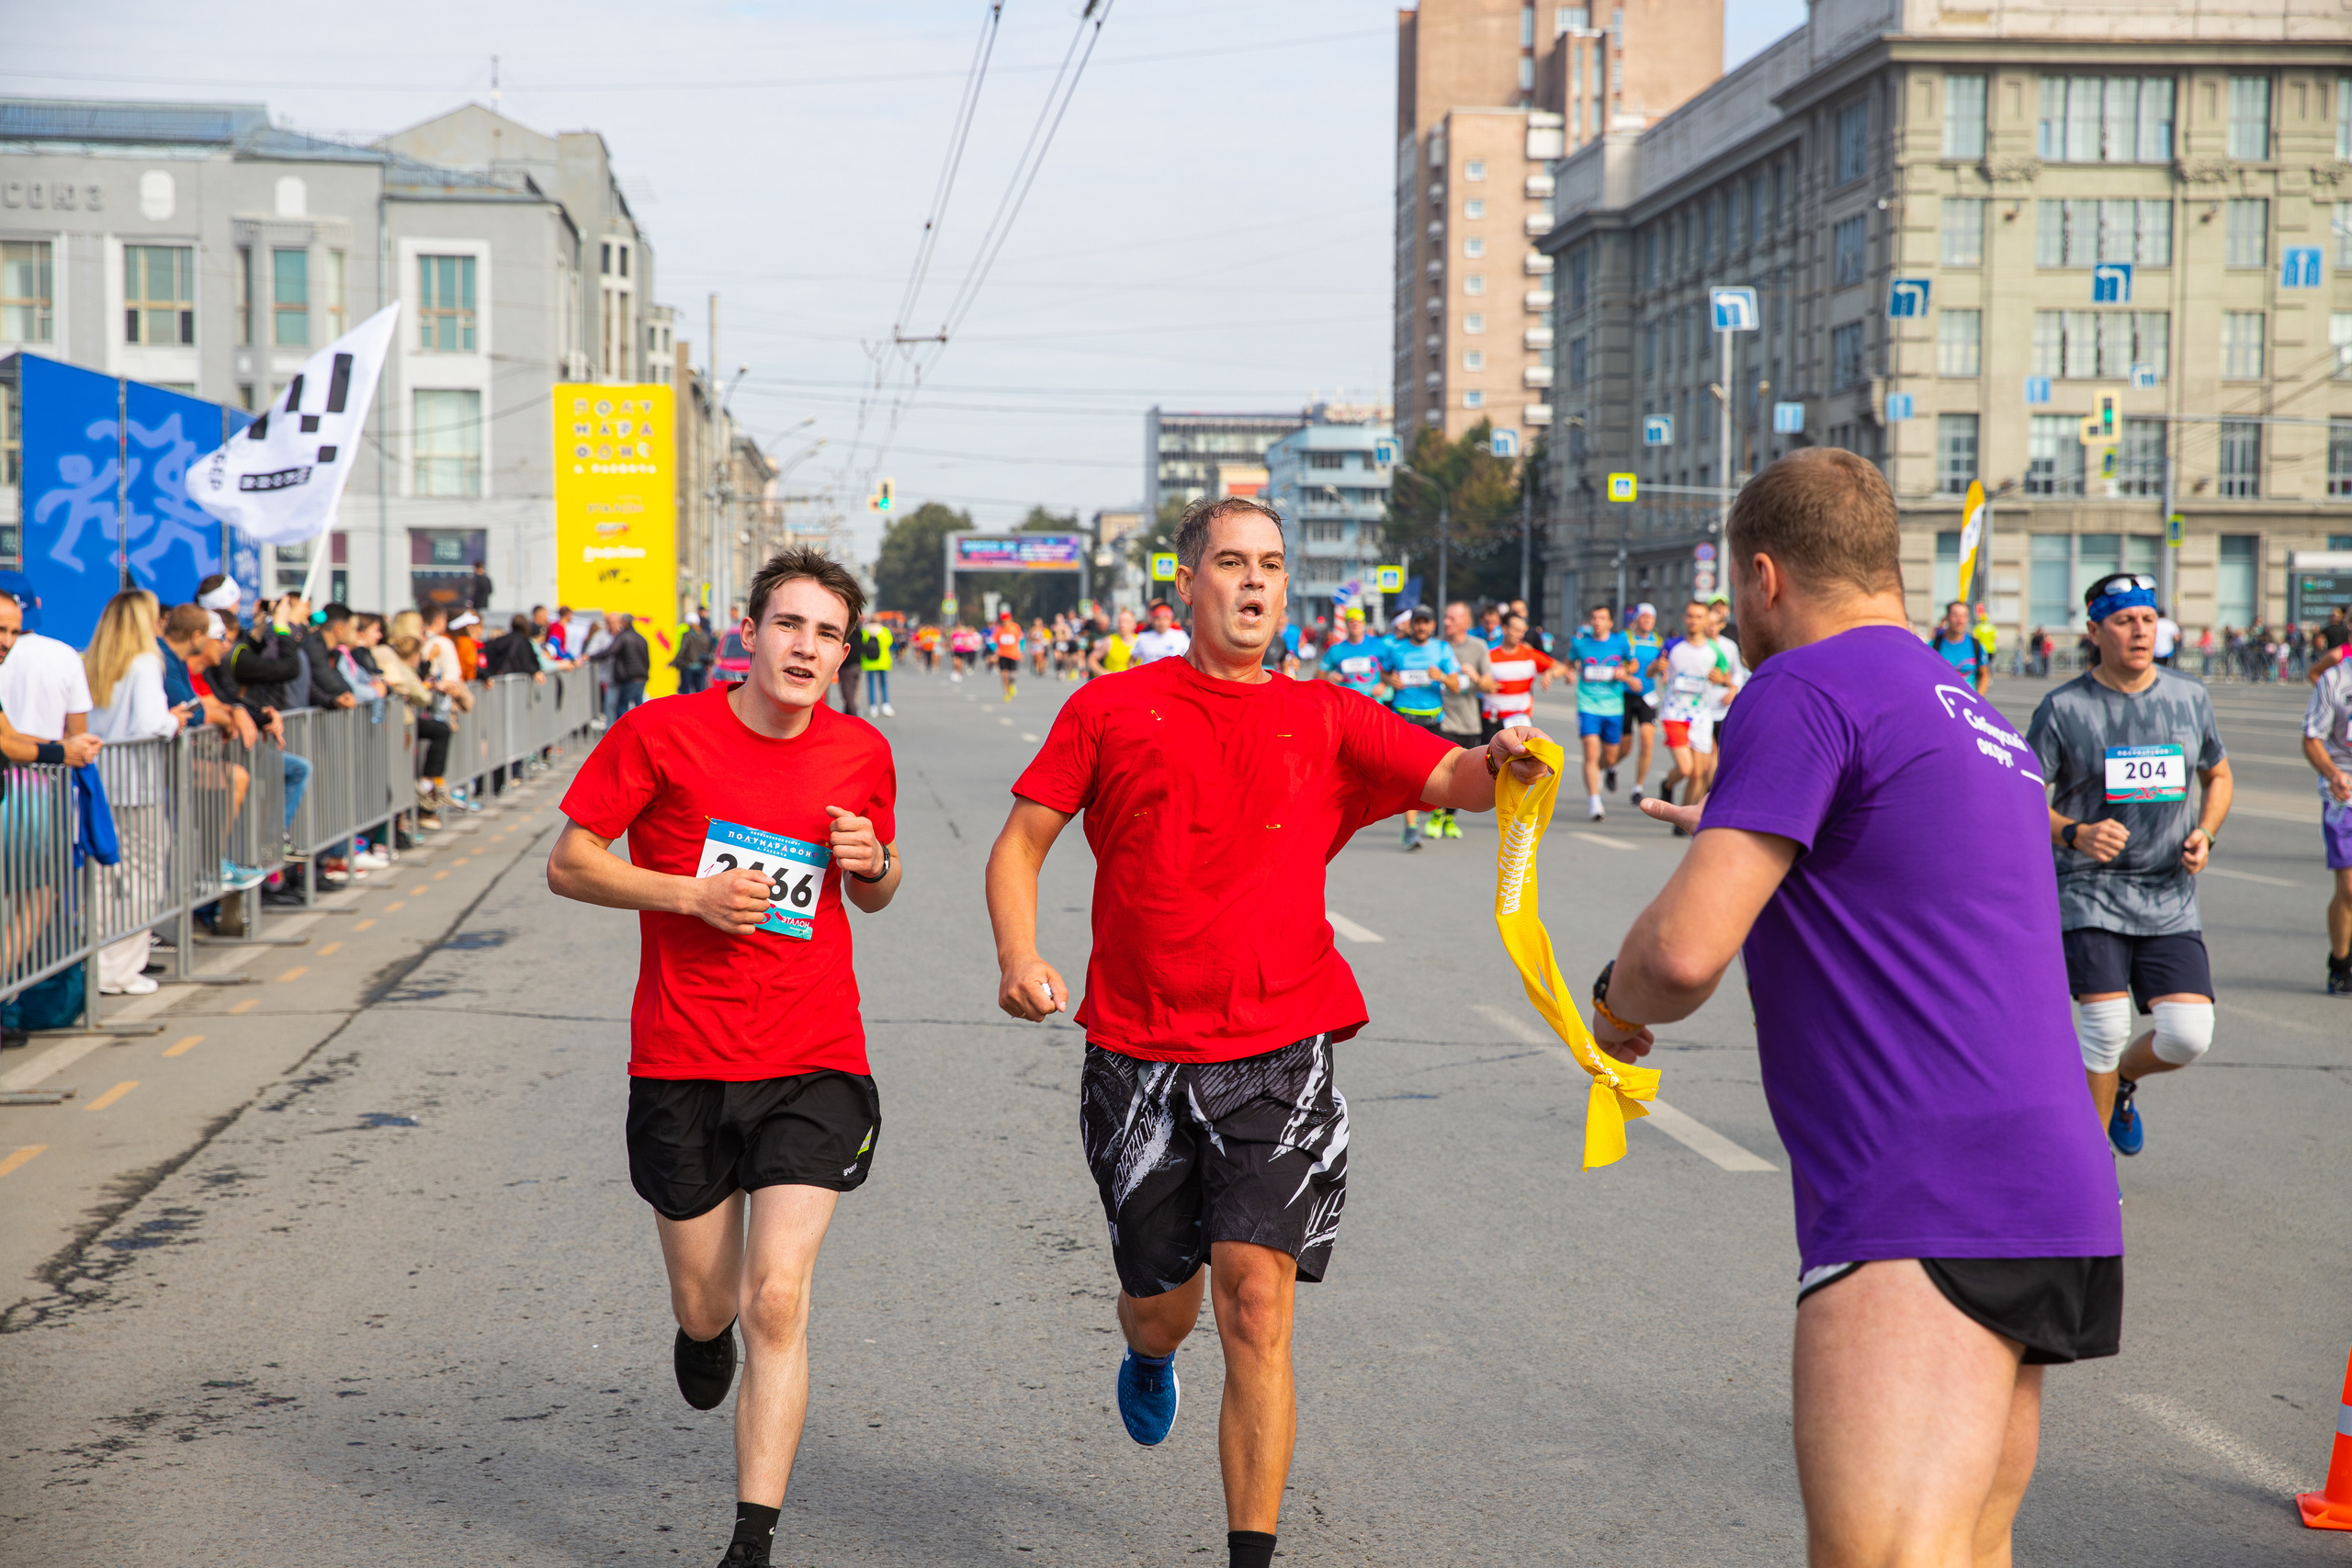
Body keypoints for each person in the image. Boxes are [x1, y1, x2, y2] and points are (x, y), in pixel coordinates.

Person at [982, 496, 1556, 1568]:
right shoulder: (1111, 709)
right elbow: (1019, 846)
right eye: (1233, 563)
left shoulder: (1326, 717)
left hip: (1280, 1054)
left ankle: (1251, 1553)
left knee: (1255, 1303)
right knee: (1164, 1307)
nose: (1255, 582)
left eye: (1273, 566)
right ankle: (1148, 1349)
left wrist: (1504, 755)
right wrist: (1020, 957)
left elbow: (1449, 777)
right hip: (1139, 1059)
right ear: (1187, 583)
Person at [1595, 448, 2121, 1568]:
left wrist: (1609, 999)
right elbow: (1902, 873)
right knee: (1968, 1549)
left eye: (1740, 591)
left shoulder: (1800, 687)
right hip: (2053, 1194)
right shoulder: (1974, 718)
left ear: (1765, 578)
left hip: (1920, 1197)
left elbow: (1681, 959)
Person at [547, 547, 900, 1568]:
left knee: (776, 1298)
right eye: (791, 625)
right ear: (750, 631)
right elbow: (570, 863)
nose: (808, 647)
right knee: (712, 1304)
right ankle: (699, 1331)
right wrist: (688, 895)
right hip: (684, 1059)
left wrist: (876, 863)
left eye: (828, 634)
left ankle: (753, 1539)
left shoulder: (859, 754)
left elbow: (872, 887)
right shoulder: (661, 731)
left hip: (815, 1056)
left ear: (843, 653)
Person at [2027, 572, 2232, 1157]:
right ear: (2095, 630)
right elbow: (2021, 794)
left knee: (2188, 1035)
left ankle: (2119, 1083)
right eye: (2124, 620)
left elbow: (2217, 773)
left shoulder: (2189, 698)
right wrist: (2077, 832)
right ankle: (2090, 1172)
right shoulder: (2064, 709)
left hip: (2168, 891)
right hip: (2090, 888)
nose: (2139, 630)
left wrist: (2206, 833)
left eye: (2147, 618)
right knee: (2107, 1024)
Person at [1377, 604, 1464, 851]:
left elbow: (1456, 686)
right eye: (1418, 622)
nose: (1422, 626)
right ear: (1411, 624)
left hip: (1434, 720)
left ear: (1433, 625)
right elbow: (1383, 673)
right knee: (1412, 775)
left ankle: (1435, 813)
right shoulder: (1397, 649)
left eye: (1426, 622)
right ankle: (1412, 828)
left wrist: (1443, 677)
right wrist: (1389, 680)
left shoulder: (1442, 649)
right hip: (1405, 719)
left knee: (1436, 775)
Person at [1648, 599, 1729, 829]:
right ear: (1684, 618)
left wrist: (1720, 678)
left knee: (1699, 774)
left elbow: (1726, 678)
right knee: (1686, 769)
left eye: (1699, 617)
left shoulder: (1714, 651)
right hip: (1674, 713)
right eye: (1690, 616)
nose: (1694, 621)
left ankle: (1682, 820)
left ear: (1706, 620)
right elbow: (1650, 670)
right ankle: (1667, 784)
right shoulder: (1672, 645)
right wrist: (1658, 667)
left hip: (1702, 716)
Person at [2301, 649, 2352, 994]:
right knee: (2349, 889)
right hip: (2345, 795)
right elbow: (2311, 738)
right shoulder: (2334, 679)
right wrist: (2333, 774)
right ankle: (2341, 961)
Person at [1430, 601, 1494, 840]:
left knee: (1461, 773)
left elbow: (1490, 685)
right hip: (1442, 719)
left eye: (1452, 619)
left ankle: (1449, 818)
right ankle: (1436, 812)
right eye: (1445, 617)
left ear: (1467, 622)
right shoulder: (1435, 647)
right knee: (1440, 769)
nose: (1446, 622)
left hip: (1469, 721)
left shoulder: (1478, 647)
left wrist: (1474, 676)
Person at [1566, 604, 1635, 822]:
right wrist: (1565, 673)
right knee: (1590, 753)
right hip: (1588, 706)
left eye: (1602, 618)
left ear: (1610, 622)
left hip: (1613, 707)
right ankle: (1595, 802)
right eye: (1594, 618)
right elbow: (1568, 664)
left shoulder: (1620, 642)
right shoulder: (1580, 644)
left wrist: (1624, 671)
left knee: (1610, 755)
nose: (1597, 622)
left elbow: (1632, 664)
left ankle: (1609, 768)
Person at [1481, 612, 1555, 740]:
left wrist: (1550, 673)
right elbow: (1477, 681)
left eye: (1522, 631)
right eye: (1516, 630)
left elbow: (1559, 667)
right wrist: (1483, 685)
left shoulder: (1530, 654)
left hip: (1520, 721)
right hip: (1494, 720)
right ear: (1504, 629)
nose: (1520, 635)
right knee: (1490, 759)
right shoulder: (1489, 656)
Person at [1621, 603, 1664, 807]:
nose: (1647, 620)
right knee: (1624, 747)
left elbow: (1664, 664)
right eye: (1644, 616)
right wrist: (1628, 676)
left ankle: (1638, 787)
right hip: (1625, 696)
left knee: (1647, 742)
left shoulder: (1658, 641)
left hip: (1647, 697)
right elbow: (1616, 662)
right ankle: (1612, 767)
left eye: (1651, 617)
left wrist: (1665, 674)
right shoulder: (1626, 639)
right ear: (1637, 618)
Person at [1320, 607, 1383, 702]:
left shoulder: (1378, 644)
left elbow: (1393, 667)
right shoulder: (1336, 649)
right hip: (1348, 705)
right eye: (1351, 621)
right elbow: (1318, 674)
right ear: (1346, 624)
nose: (1355, 623)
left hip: (1374, 703)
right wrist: (1329, 677)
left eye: (1359, 621)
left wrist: (1384, 684)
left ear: (1364, 623)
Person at [1930, 599, 1991, 694]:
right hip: (1942, 703)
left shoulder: (1976, 645)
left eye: (1964, 616)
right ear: (1947, 617)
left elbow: (1984, 674)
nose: (1960, 620)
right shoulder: (1933, 646)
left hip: (1969, 704)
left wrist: (1979, 698)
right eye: (1956, 615)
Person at [604, 612, 652, 723]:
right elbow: (647, 659)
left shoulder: (623, 637)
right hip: (641, 676)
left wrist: (591, 657)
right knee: (640, 707)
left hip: (630, 678)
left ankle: (624, 732)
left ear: (624, 623)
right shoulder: (641, 638)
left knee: (622, 706)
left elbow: (610, 651)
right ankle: (643, 730)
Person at [1131, 601, 1191, 666]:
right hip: (1149, 675)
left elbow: (1190, 659)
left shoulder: (1180, 636)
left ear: (1170, 620)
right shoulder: (1143, 637)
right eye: (1158, 619)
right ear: (1153, 620)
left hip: (1171, 675)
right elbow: (1131, 661)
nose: (1161, 622)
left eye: (1165, 619)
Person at [857, 615, 895, 716]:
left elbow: (862, 644)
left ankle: (873, 707)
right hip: (882, 661)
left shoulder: (865, 631)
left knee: (871, 685)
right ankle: (885, 705)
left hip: (868, 662)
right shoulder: (884, 630)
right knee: (883, 684)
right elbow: (888, 642)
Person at [673, 615, 716, 695]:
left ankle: (686, 708)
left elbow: (682, 650)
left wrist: (673, 662)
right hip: (701, 665)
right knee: (700, 692)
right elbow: (709, 648)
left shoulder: (687, 635)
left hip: (689, 666)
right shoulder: (704, 634)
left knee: (686, 692)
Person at [991, 612, 1023, 702]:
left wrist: (1021, 651)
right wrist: (995, 651)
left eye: (1006, 620)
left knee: (1013, 675)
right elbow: (992, 641)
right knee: (1004, 674)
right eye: (1003, 621)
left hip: (1013, 654)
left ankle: (1012, 685)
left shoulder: (1015, 627)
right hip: (1002, 654)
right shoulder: (998, 629)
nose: (1004, 622)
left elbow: (1021, 640)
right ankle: (1006, 692)